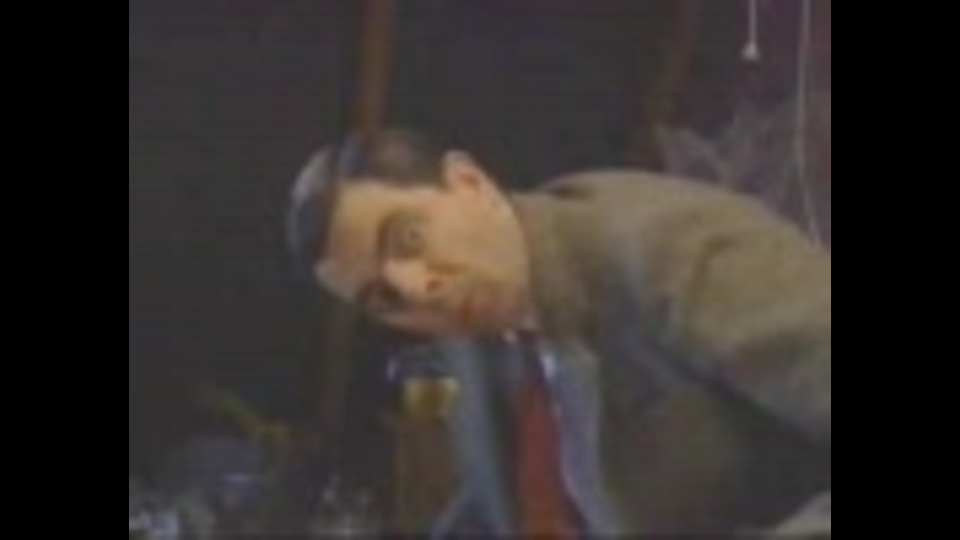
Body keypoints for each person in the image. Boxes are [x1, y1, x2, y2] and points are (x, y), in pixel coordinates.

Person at [286, 129, 831, 535]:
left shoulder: (669, 248)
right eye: (384, 297)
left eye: (407, 238)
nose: (418, 288)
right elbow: (505, 503)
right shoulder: (477, 321)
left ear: (469, 182)